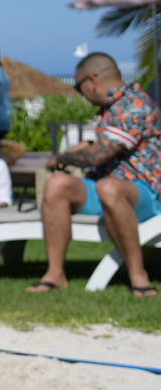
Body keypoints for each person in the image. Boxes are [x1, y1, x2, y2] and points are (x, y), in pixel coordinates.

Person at [29, 53, 161, 295]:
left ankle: (138, 275)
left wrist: (61, 157)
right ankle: (55, 273)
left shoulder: (134, 105)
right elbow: (108, 147)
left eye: (78, 87)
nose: (81, 94)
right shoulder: (110, 109)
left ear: (92, 81)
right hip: (106, 188)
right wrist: (86, 147)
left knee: (108, 187)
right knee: (57, 184)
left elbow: (97, 156)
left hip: (146, 193)